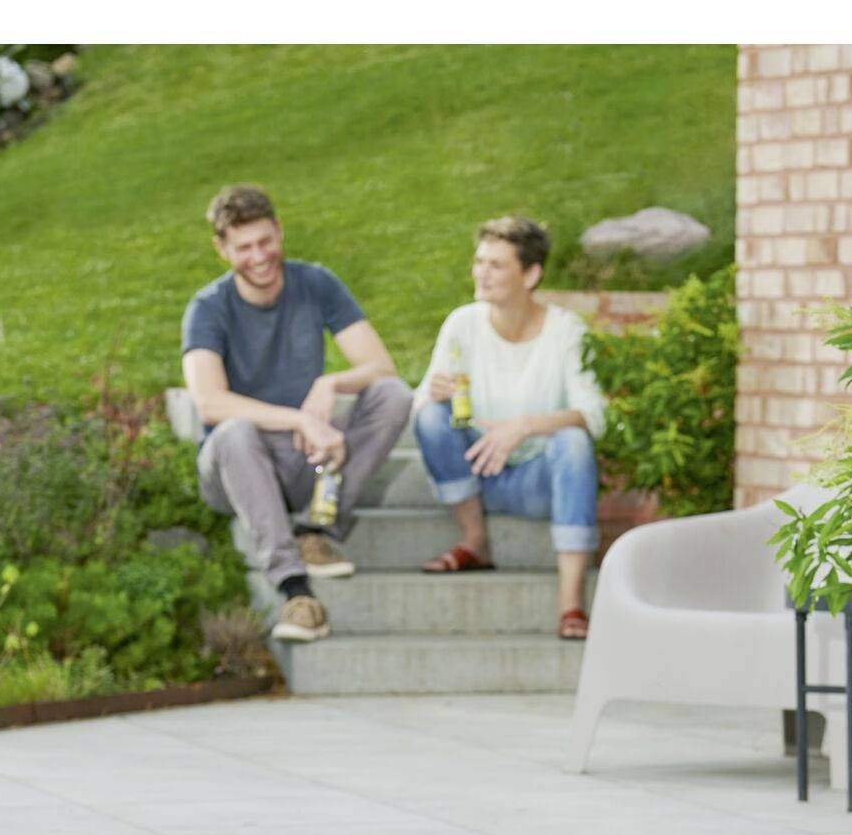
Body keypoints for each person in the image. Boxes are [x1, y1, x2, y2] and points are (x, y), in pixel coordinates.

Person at [183, 184, 412, 644]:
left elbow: (380, 366)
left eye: (266, 241)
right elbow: (209, 401)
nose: (259, 256)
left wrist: (329, 383)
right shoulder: (207, 308)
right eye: (243, 247)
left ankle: (317, 529)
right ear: (221, 249)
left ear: (280, 232)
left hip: (304, 458)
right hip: (237, 467)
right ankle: (296, 591)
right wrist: (299, 419)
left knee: (393, 395)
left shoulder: (316, 283)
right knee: (232, 433)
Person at [413, 217, 605, 640]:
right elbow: (420, 406)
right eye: (479, 261)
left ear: (531, 274)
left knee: (573, 442)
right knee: (429, 415)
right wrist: (435, 393)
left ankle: (571, 603)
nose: (481, 272)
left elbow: (594, 414)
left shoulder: (566, 331)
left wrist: (524, 426)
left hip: (536, 479)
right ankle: (474, 540)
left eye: (496, 265)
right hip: (477, 470)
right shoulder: (462, 324)